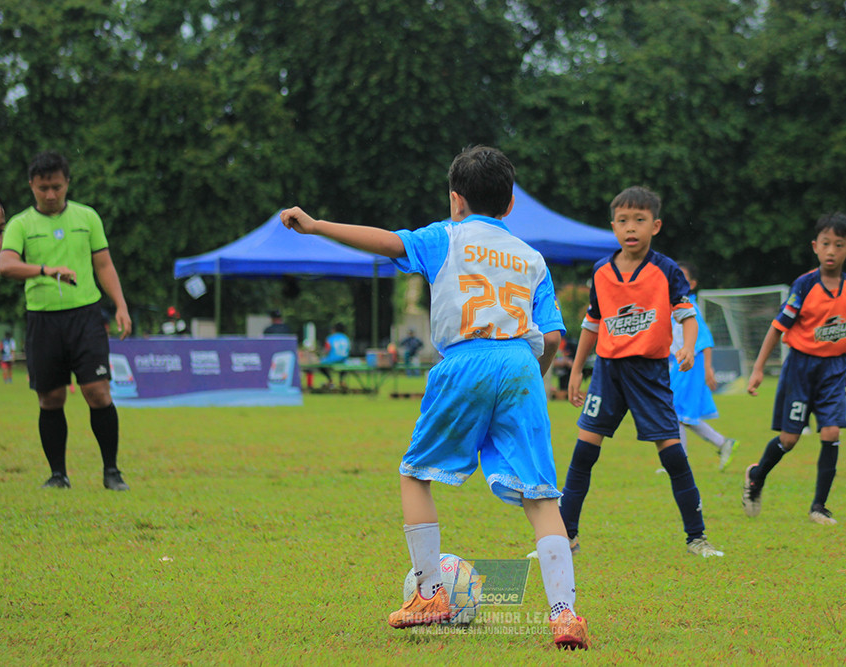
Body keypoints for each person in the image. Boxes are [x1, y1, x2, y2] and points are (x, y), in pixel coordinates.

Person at [280, 145, 589, 649]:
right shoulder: (532, 259)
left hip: (464, 362)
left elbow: (385, 243)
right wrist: (530, 377)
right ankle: (565, 613)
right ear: (510, 205)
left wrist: (316, 225)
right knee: (542, 496)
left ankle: (429, 593)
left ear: (455, 200)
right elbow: (552, 338)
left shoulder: (446, 237)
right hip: (520, 366)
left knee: (415, 473)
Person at [558, 186, 724, 559]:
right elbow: (593, 322)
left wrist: (687, 347)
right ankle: (566, 537)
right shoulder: (601, 270)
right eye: (622, 221)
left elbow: (686, 314)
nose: (630, 228)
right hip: (607, 373)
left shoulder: (666, 270)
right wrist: (575, 370)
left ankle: (696, 537)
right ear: (612, 226)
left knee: (672, 454)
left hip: (649, 374)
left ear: (656, 225)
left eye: (639, 220)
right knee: (584, 452)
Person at [0, 151, 132, 491]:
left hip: (85, 316)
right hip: (42, 319)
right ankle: (58, 475)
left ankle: (112, 472)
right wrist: (45, 270)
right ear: (32, 186)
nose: (51, 194)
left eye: (57, 186)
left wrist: (120, 305)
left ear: (67, 183)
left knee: (98, 392)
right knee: (51, 398)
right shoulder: (19, 224)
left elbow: (104, 265)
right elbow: (5, 265)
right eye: (43, 188)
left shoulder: (87, 218)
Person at [742, 213, 846, 526]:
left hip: (835, 368)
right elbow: (777, 327)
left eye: (839, 245)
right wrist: (757, 369)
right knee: (790, 439)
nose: (831, 251)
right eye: (826, 244)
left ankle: (819, 507)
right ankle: (756, 476)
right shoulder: (805, 285)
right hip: (800, 367)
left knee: (832, 432)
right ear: (815, 246)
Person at [670, 261, 739, 470]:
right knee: (681, 414)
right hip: (678, 364)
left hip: (691, 363)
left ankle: (679, 463)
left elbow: (705, 339)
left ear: (691, 284)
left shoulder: (690, 306)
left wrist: (708, 368)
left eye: (682, 278)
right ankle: (722, 443)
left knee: (677, 412)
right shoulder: (672, 304)